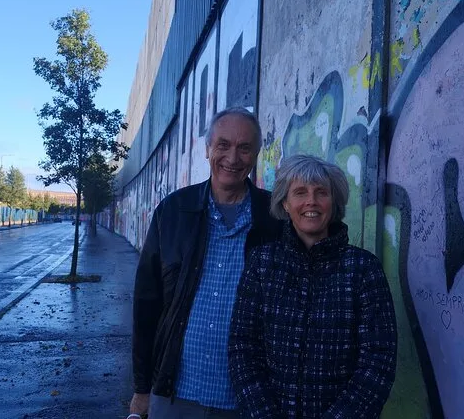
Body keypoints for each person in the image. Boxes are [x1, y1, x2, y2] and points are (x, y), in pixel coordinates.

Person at [128, 107, 282, 419]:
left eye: (244, 147)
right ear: (207, 149)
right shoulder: (173, 212)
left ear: (256, 154)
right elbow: (147, 304)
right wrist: (142, 387)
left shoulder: (275, 218)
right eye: (223, 145)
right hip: (175, 394)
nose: (233, 158)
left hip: (249, 399)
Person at [228, 154, 397, 418]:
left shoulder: (364, 269)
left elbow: (378, 361)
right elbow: (243, 348)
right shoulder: (262, 264)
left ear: (334, 202)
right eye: (300, 192)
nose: (311, 201)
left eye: (321, 192)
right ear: (285, 203)